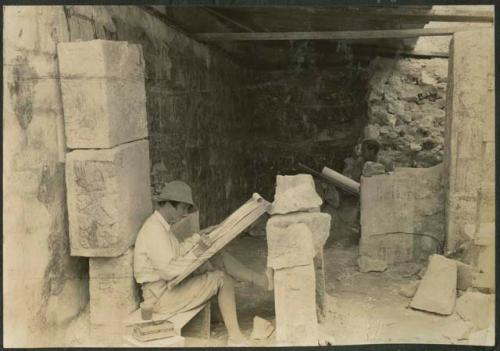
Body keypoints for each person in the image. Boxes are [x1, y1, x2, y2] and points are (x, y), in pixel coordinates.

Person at [134, 180, 271, 346]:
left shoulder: (161, 226)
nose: (185, 214)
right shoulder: (154, 230)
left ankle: (261, 280)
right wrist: (199, 252)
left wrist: (199, 236)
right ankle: (235, 337)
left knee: (216, 257)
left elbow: (178, 251)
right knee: (222, 279)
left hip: (168, 287)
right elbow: (169, 272)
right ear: (170, 205)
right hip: (161, 298)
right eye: (183, 208)